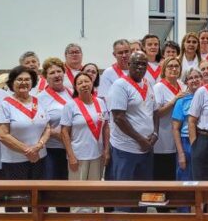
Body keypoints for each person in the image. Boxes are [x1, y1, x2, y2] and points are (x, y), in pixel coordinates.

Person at [0, 66, 50, 207]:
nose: (24, 83)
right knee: (16, 202)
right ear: (12, 83)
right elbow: (2, 135)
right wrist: (28, 151)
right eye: (19, 79)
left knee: (39, 200)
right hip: (15, 162)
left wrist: (38, 146)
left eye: (27, 79)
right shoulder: (5, 105)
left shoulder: (38, 101)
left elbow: (47, 127)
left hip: (40, 158)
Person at [108, 51, 159, 181]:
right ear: (129, 64)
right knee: (125, 194)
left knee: (145, 192)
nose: (140, 67)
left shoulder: (148, 83)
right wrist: (141, 140)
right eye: (137, 64)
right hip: (126, 149)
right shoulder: (120, 85)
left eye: (144, 64)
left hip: (147, 148)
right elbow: (119, 118)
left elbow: (155, 111)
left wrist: (155, 134)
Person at [61, 72, 109, 181]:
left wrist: (106, 150)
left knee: (95, 189)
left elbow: (106, 127)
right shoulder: (70, 106)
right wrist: (71, 156)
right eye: (80, 83)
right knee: (78, 190)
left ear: (92, 83)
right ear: (75, 87)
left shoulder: (101, 102)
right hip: (78, 156)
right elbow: (64, 132)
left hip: (98, 154)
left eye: (87, 81)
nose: (84, 84)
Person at [38, 57, 74, 184]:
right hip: (52, 150)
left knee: (68, 188)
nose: (56, 75)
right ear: (45, 77)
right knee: (50, 187)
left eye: (59, 71)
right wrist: (57, 134)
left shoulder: (72, 93)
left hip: (72, 148)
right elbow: (38, 125)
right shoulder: (40, 98)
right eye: (52, 73)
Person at [153, 57, 186, 181]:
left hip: (179, 137)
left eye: (176, 66)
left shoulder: (182, 86)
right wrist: (174, 100)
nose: (174, 68)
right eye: (170, 66)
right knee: (163, 175)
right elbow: (157, 113)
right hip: (163, 138)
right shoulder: (159, 87)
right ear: (164, 69)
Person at [172, 68, 204, 181]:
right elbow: (175, 129)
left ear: (202, 80)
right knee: (186, 178)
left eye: (197, 77)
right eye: (190, 78)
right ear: (186, 82)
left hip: (204, 140)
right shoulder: (181, 101)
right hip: (186, 143)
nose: (194, 80)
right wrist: (181, 154)